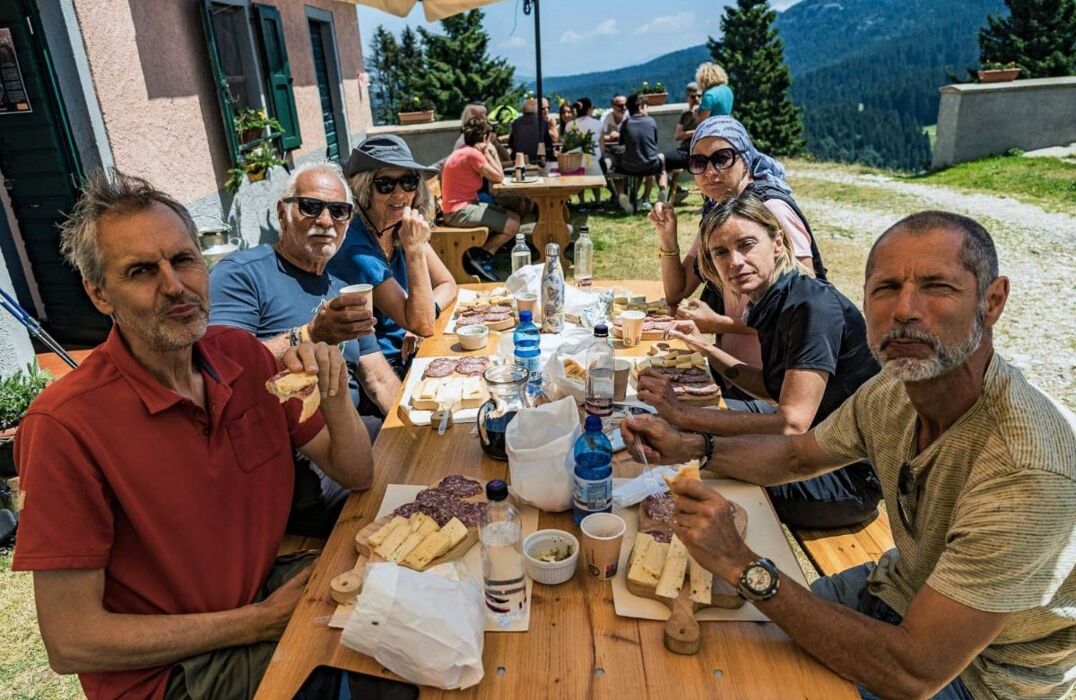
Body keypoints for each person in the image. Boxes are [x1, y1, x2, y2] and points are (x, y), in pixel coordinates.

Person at [623, 211, 1076, 700]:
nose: (904, 309)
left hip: (980, 676)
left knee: (743, 676)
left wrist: (741, 563)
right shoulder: (894, 389)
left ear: (992, 301)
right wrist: (692, 447)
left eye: (936, 286)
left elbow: (914, 671)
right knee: (705, 653)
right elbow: (797, 457)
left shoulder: (1026, 471)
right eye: (885, 288)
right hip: (896, 585)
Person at [12, 169, 373, 700]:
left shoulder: (243, 357)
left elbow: (356, 472)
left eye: (183, 260)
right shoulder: (64, 426)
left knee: (404, 598)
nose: (174, 286)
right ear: (99, 293)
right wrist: (257, 622)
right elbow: (72, 641)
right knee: (377, 668)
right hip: (172, 672)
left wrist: (334, 385)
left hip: (254, 598)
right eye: (140, 271)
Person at [640, 191, 882, 529]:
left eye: (746, 244)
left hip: (845, 479)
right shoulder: (777, 297)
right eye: (721, 252)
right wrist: (706, 348)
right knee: (669, 434)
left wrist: (684, 414)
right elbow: (772, 388)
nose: (735, 262)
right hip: (808, 445)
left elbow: (790, 422)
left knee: (691, 480)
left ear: (778, 243)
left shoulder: (811, 307)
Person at [209, 162, 399, 535]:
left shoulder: (342, 288)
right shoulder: (242, 274)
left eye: (339, 211)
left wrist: (416, 435)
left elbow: (377, 378)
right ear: (283, 212)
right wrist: (311, 334)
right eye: (310, 206)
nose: (326, 220)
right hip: (294, 460)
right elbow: (218, 370)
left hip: (351, 432)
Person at [652, 116, 827, 382]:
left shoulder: (772, 209)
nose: (710, 172)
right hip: (732, 373)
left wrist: (717, 324)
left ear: (746, 159)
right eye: (699, 162)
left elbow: (809, 305)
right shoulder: (720, 210)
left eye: (722, 158)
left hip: (775, 382)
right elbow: (677, 290)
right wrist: (668, 239)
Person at [329, 135, 457, 376]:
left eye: (408, 182)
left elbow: (448, 284)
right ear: (364, 189)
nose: (399, 193)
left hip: (416, 348)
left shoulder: (396, 226)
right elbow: (422, 323)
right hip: (386, 368)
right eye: (386, 184)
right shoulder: (356, 250)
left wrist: (427, 312)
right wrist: (415, 249)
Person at [441, 116, 521, 280]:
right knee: (513, 225)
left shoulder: (463, 150)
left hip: (459, 207)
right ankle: (481, 256)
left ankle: (481, 254)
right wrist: (491, 152)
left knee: (514, 216)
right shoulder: (473, 155)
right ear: (485, 137)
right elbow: (498, 176)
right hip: (458, 212)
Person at [611, 93, 668, 214]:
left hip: (629, 166)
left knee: (614, 170)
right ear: (641, 107)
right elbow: (654, 142)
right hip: (650, 165)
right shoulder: (651, 121)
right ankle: (662, 189)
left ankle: (621, 194)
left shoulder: (626, 124)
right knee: (661, 158)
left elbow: (622, 145)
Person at [663, 81, 701, 205]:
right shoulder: (685, 115)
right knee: (659, 160)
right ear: (687, 97)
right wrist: (693, 132)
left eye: (699, 96)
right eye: (693, 96)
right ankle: (674, 192)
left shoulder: (705, 113)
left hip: (699, 152)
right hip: (685, 151)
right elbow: (677, 135)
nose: (696, 99)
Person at [566, 97, 604, 204]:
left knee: (580, 175)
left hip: (576, 162)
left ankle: (582, 202)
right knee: (596, 166)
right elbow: (602, 147)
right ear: (589, 109)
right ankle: (598, 201)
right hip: (594, 160)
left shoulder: (570, 125)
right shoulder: (598, 124)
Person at [507, 97, 554, 164]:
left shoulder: (516, 123)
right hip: (538, 161)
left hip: (519, 162)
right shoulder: (543, 123)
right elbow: (548, 144)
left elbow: (511, 143)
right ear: (537, 110)